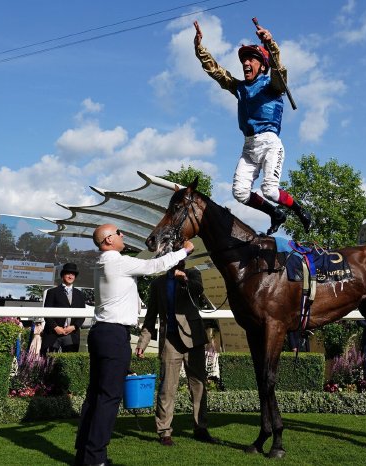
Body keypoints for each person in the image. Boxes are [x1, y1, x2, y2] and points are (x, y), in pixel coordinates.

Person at [74, 224, 194, 466]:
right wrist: (185, 251)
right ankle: (96, 458)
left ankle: (84, 454)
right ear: (108, 240)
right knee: (109, 397)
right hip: (113, 335)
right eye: (118, 232)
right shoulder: (117, 261)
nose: (122, 235)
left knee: (95, 397)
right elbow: (154, 266)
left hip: (101, 334)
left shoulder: (105, 262)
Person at [193, 20, 311, 235]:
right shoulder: (239, 87)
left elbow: (279, 70)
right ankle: (275, 214)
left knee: (270, 190)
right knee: (239, 192)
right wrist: (200, 49)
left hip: (269, 144)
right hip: (249, 146)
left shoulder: (273, 85)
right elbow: (216, 72)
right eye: (244, 59)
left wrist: (271, 45)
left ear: (263, 65)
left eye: (251, 59)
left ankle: (300, 210)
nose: (246, 63)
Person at [136, 260, 218, 446]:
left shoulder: (193, 274)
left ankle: (201, 428)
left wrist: (185, 280)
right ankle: (164, 432)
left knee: (198, 386)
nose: (178, 260)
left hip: (193, 338)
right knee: (167, 387)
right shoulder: (158, 283)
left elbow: (197, 291)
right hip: (170, 341)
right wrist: (143, 342)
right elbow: (151, 315)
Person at [42, 262, 86, 354]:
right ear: (62, 275)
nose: (70, 276)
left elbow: (82, 315)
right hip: (53, 333)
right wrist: (56, 327)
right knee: (49, 363)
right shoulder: (52, 292)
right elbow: (46, 313)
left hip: (72, 334)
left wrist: (73, 327)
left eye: (73, 274)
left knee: (69, 364)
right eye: (68, 274)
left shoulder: (80, 294)